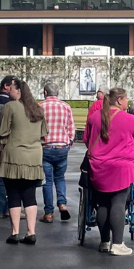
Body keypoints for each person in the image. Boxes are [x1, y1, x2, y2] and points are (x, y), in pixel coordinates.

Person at [83, 88, 134, 256]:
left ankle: (104, 241)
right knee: (118, 203)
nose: (128, 102)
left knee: (102, 204)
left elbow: (87, 141)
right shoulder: (130, 119)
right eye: (126, 99)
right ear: (119, 100)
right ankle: (117, 243)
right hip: (121, 167)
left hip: (99, 166)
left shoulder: (94, 118)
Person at [0, 79, 47, 244]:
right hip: (34, 156)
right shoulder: (38, 109)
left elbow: (2, 132)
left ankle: (15, 232)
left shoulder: (11, 106)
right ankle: (31, 232)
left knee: (14, 194)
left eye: (11, 89)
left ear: (18, 91)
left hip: (13, 156)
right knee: (30, 195)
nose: (9, 91)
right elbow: (44, 134)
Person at [39, 82, 74, 223]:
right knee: (60, 178)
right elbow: (71, 128)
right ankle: (62, 203)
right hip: (61, 147)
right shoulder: (66, 107)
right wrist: (68, 143)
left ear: (45, 93)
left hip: (46, 146)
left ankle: (48, 213)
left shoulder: (40, 107)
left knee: (47, 181)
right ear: (58, 93)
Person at [0, 76, 15, 219]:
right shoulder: (7, 103)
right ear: (6, 86)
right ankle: (8, 208)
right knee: (9, 179)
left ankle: (2, 209)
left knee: (0, 177)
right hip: (8, 143)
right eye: (13, 86)